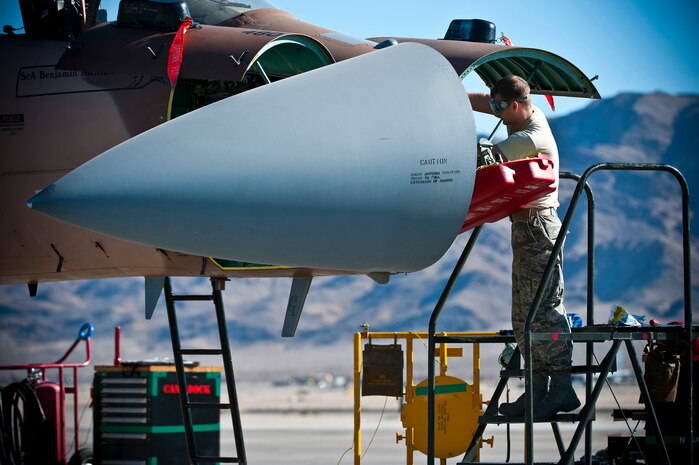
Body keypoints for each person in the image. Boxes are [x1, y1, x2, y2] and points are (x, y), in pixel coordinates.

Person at [468, 75, 580, 419]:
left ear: (515, 105)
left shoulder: (529, 137)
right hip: (526, 227)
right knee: (523, 316)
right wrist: (452, 98)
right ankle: (536, 392)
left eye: (501, 107)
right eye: (494, 105)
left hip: (538, 227)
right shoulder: (526, 115)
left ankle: (560, 390)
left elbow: (487, 158)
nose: (496, 113)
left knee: (543, 311)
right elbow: (486, 102)